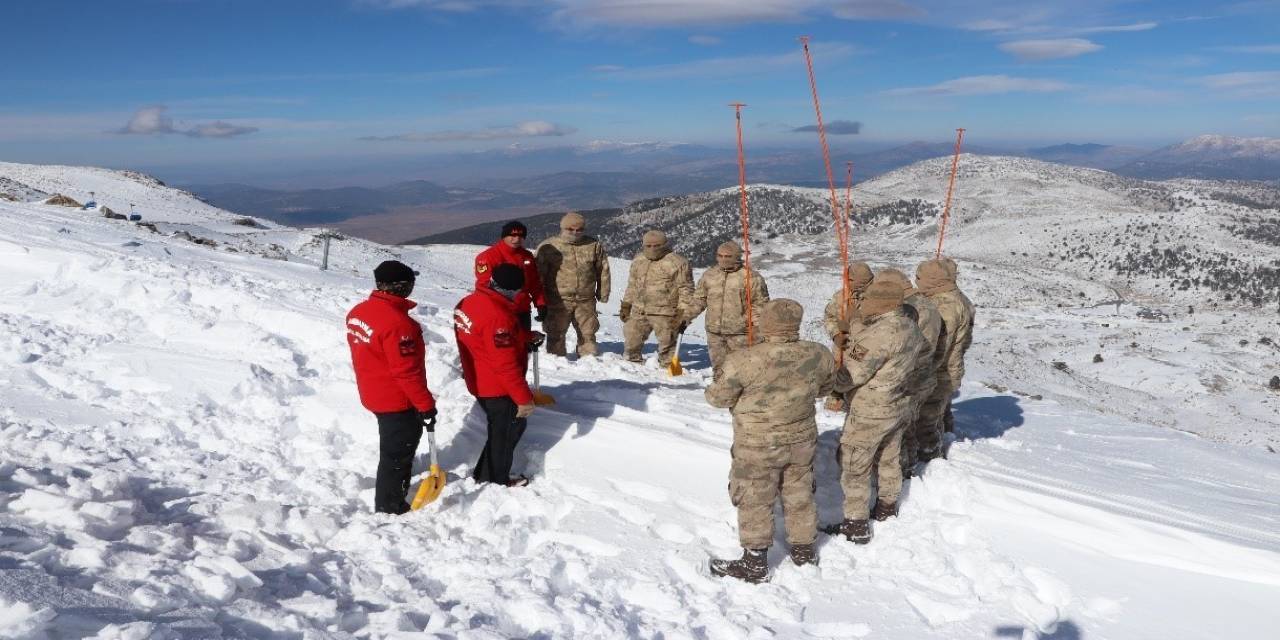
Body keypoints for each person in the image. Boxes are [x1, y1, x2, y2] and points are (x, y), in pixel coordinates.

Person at [705, 299, 836, 583]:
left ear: (766, 323)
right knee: (799, 491)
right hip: (801, 438)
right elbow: (825, 387)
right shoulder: (819, 353)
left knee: (755, 497)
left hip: (758, 443)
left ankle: (754, 563)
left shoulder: (743, 359)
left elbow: (718, 398)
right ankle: (804, 551)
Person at [824, 280, 924, 544]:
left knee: (855, 465)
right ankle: (886, 508)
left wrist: (826, 379)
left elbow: (850, 377)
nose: (862, 304)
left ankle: (855, 524)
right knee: (889, 457)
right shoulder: (910, 327)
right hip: (896, 403)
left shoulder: (880, 334)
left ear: (881, 303)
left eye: (867, 300)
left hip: (870, 410)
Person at [346, 260, 438, 514]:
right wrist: (425, 405)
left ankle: (394, 491)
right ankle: (390, 506)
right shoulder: (399, 325)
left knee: (394, 447)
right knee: (396, 453)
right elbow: (406, 372)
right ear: (402, 286)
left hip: (373, 389)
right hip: (396, 399)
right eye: (410, 283)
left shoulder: (358, 312)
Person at [455, 263, 543, 487]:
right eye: (519, 291)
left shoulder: (469, 302)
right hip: (496, 385)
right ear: (511, 290)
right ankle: (495, 480)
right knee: (507, 430)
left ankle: (485, 474)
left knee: (504, 429)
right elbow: (505, 364)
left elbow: (485, 336)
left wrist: (524, 336)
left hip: (478, 376)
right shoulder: (498, 316)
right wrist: (523, 398)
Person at [872, 269, 944, 477]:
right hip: (925, 373)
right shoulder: (927, 304)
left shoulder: (908, 308)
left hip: (910, 376)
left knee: (901, 429)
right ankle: (914, 463)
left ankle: (904, 470)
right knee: (910, 424)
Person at [914, 259, 975, 460]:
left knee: (926, 419)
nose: (916, 282)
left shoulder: (944, 307)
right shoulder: (957, 298)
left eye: (919, 278)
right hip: (950, 369)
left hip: (938, 373)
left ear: (933, 280)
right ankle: (944, 437)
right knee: (939, 412)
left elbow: (938, 348)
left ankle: (930, 458)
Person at [684, 241, 769, 380]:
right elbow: (699, 299)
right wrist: (686, 316)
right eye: (720, 255)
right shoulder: (709, 275)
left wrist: (756, 328)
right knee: (719, 369)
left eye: (728, 256)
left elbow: (760, 305)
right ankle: (719, 389)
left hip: (740, 333)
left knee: (741, 370)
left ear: (737, 257)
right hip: (714, 332)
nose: (723, 259)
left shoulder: (751, 277)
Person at [535, 212, 611, 358]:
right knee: (555, 333)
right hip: (558, 300)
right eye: (571, 229)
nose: (575, 232)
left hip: (585, 300)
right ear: (563, 228)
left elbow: (603, 269)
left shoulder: (593, 245)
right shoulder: (549, 246)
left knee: (588, 333)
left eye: (579, 229)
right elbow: (538, 274)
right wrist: (539, 299)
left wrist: (603, 292)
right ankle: (557, 361)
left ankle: (589, 361)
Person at [620, 230, 694, 365]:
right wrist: (626, 304)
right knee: (631, 338)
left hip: (665, 312)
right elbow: (632, 285)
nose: (652, 249)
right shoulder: (639, 260)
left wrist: (682, 313)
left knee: (667, 342)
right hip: (639, 309)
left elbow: (686, 289)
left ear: (665, 245)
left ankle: (667, 366)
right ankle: (631, 363)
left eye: (657, 246)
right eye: (648, 246)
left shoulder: (677, 262)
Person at [821, 261, 874, 411]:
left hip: (867, 343)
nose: (846, 283)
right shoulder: (841, 296)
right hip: (844, 342)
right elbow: (829, 316)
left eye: (850, 280)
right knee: (838, 365)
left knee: (857, 368)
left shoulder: (876, 297)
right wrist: (836, 334)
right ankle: (836, 395)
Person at [475, 221, 546, 330]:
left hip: (522, 310)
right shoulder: (488, 257)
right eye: (512, 235)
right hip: (498, 311)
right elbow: (484, 286)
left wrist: (540, 303)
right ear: (504, 236)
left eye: (520, 236)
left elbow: (534, 282)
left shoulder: (527, 256)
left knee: (524, 340)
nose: (517, 239)